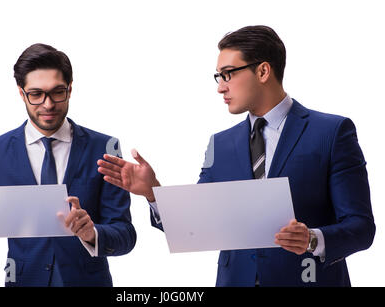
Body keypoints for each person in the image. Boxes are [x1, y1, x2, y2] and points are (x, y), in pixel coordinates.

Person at [96, 25, 375, 286]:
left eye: (228, 74)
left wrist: (312, 239)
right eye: (219, 76)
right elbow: (195, 223)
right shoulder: (220, 144)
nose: (220, 86)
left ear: (263, 71)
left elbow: (361, 227)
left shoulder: (332, 132)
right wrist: (153, 192)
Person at [0, 43, 136, 287]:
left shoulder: (104, 148)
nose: (48, 104)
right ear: (22, 94)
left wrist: (91, 233)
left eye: (57, 92)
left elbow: (125, 234)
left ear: (70, 89)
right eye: (36, 94)